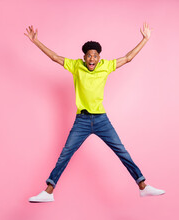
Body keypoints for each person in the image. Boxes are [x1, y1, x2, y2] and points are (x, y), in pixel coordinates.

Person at [25, 23, 165, 203]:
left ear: (99, 57)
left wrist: (144, 39)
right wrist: (36, 41)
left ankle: (143, 187)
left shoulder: (106, 66)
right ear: (84, 57)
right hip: (82, 121)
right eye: (89, 55)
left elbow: (128, 57)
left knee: (121, 151)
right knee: (65, 153)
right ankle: (49, 191)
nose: (92, 58)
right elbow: (54, 57)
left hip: (101, 120)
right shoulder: (76, 66)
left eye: (95, 56)